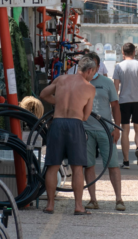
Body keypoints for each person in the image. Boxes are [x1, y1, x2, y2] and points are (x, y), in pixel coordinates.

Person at [39, 55, 98, 215]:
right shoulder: (89, 88)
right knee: (77, 168)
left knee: (52, 166)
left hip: (57, 123)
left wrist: (58, 101)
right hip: (75, 124)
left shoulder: (61, 80)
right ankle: (78, 206)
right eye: (93, 73)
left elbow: (43, 94)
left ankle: (50, 205)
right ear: (90, 70)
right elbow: (85, 116)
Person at [79, 51, 126, 211]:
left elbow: (115, 106)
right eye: (87, 65)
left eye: (93, 65)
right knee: (89, 165)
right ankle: (93, 200)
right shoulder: (79, 83)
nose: (90, 68)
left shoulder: (107, 83)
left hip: (106, 130)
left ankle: (119, 199)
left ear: (99, 66)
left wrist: (117, 128)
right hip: (86, 130)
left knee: (113, 165)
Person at [112, 42, 138, 169]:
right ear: (134, 52)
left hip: (123, 101)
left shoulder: (119, 67)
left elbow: (115, 87)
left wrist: (114, 103)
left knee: (125, 130)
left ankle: (126, 162)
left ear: (123, 53)